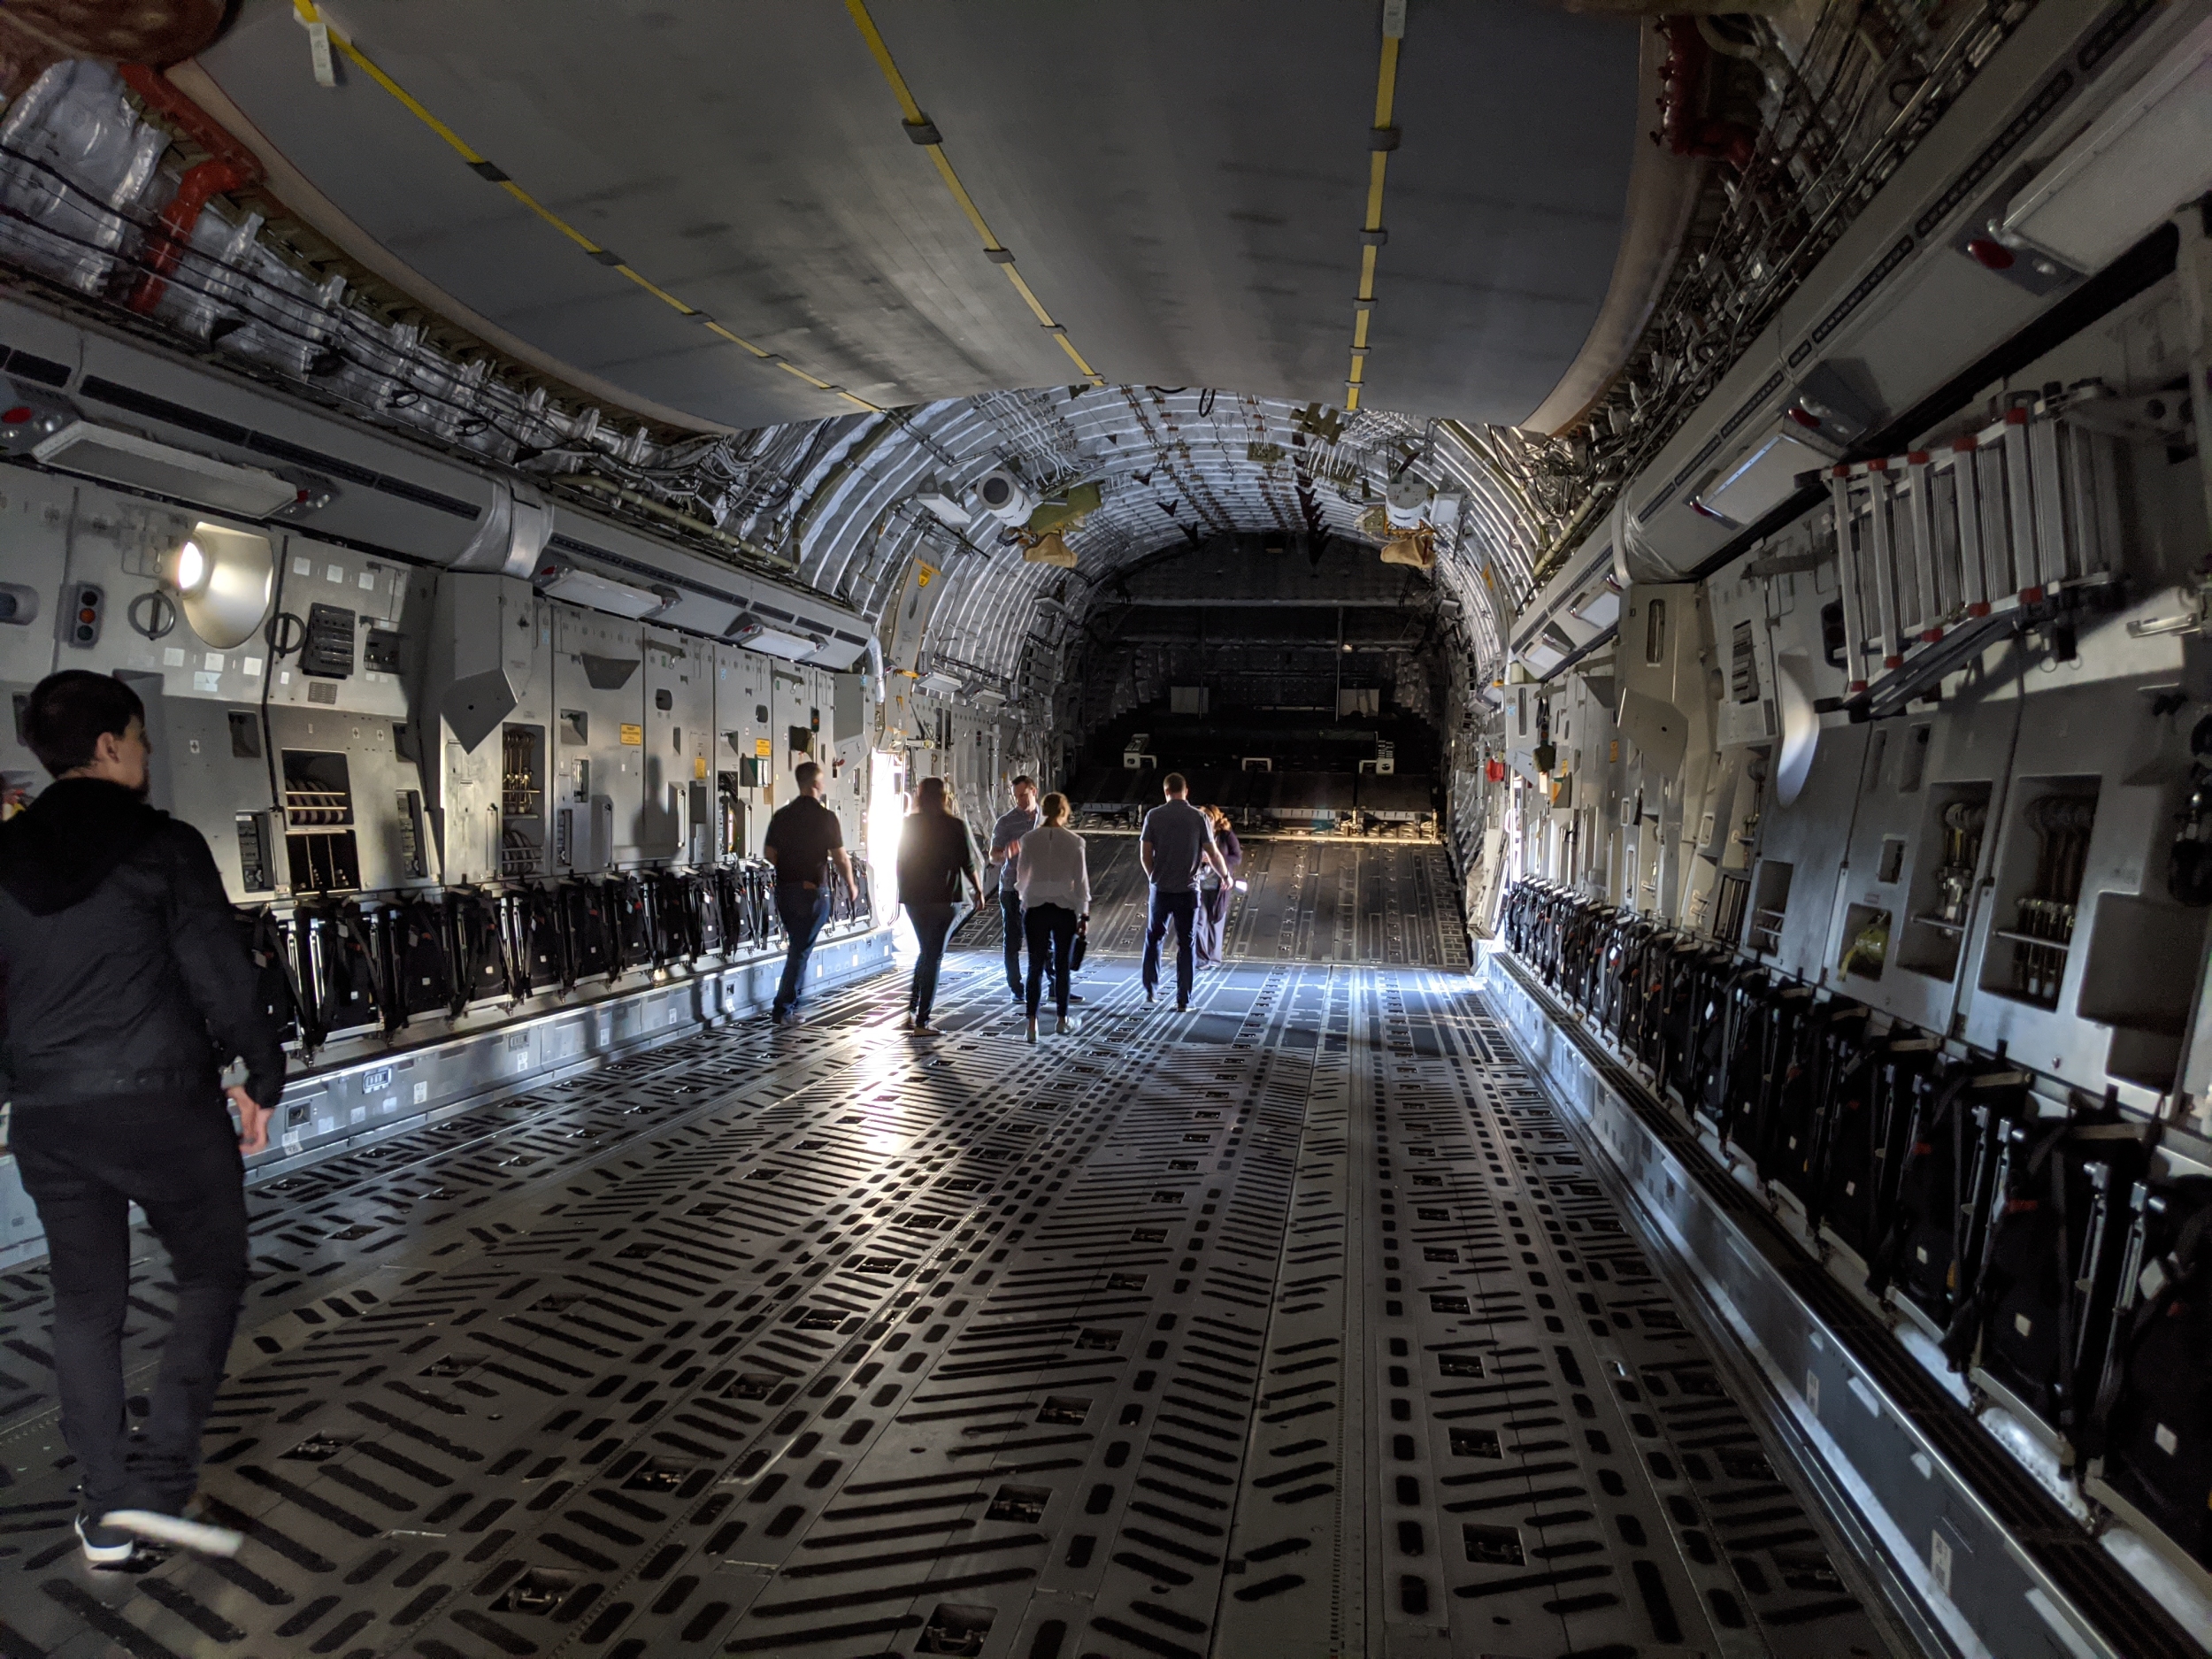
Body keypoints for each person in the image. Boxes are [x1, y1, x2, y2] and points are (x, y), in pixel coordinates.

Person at [0, 671, 284, 1565]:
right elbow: (219, 973)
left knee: (85, 1305)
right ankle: (159, 1480)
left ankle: (106, 1505)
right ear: (113, 746)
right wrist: (262, 1075)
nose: (148, 756)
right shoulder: (163, 846)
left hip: (48, 1115)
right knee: (211, 1271)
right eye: (143, 739)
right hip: (163, 1107)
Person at [761, 760, 859, 1026]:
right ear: (816, 784)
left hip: (785, 891)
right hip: (814, 893)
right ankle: (784, 1009)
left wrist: (789, 867)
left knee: (797, 946)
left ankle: (790, 1004)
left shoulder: (782, 816)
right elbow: (840, 857)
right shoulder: (826, 817)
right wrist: (851, 884)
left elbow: (769, 854)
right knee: (800, 951)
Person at [897, 776, 983, 1035]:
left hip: (915, 898)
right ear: (945, 797)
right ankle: (923, 1021)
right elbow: (967, 862)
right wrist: (978, 891)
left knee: (925, 952)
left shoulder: (909, 824)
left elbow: (900, 862)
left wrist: (904, 892)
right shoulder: (955, 825)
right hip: (945, 898)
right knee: (933, 956)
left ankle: (911, 1012)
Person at [1140, 772, 1232, 1011]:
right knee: (1186, 945)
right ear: (1186, 791)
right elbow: (1212, 853)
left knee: (1154, 938)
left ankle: (1151, 989)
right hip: (1188, 891)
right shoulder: (1199, 817)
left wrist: (1153, 878)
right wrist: (1225, 876)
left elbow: (1145, 854)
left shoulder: (1153, 816)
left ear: (1166, 791)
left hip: (1160, 890)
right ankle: (1184, 1000)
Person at [1015, 791, 1090, 1042]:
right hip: (1064, 908)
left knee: (1034, 966)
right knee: (1062, 968)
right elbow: (1081, 882)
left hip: (1035, 906)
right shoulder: (1075, 841)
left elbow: (1022, 876)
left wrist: (1024, 899)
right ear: (1063, 811)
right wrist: (1084, 915)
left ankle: (1032, 1026)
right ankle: (1061, 1020)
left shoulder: (1028, 839)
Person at [987, 775, 1041, 1004]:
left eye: (1023, 795)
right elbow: (993, 856)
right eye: (1016, 796)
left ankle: (1056, 986)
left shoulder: (1047, 818)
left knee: (1043, 940)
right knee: (1013, 940)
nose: (1019, 800)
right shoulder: (1006, 822)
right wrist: (1006, 853)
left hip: (1040, 888)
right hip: (1012, 889)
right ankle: (1016, 987)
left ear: (1033, 791)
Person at [1194, 803, 1244, 968]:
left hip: (1219, 885)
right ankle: (1202, 959)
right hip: (1199, 884)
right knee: (1199, 921)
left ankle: (1214, 959)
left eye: (1208, 817)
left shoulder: (1225, 835)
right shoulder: (1196, 834)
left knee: (1216, 921)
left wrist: (1219, 862)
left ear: (1215, 818)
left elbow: (1237, 857)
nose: (1206, 820)